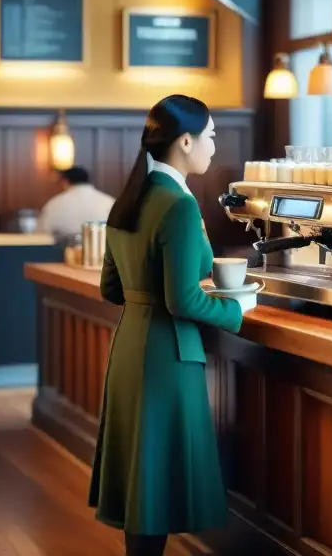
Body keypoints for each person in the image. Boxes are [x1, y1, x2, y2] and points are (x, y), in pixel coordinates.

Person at [88, 95, 257, 556]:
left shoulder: (130, 198)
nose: (215, 146)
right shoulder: (178, 205)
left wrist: (146, 295)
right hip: (167, 352)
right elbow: (183, 299)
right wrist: (237, 313)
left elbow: (110, 288)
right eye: (211, 136)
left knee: (144, 479)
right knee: (157, 476)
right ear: (186, 140)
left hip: (129, 349)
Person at [36, 166, 115, 242]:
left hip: (63, 253)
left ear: (65, 181)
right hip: (102, 251)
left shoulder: (54, 204)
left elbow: (41, 233)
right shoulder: (109, 201)